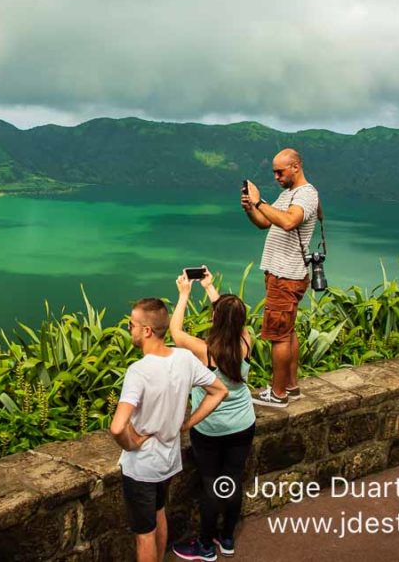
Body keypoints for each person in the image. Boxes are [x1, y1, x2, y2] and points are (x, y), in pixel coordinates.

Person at [110, 297, 229, 562]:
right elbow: (219, 391)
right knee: (159, 512)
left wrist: (131, 443)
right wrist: (186, 423)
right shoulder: (184, 358)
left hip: (142, 466)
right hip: (168, 460)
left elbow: (117, 426)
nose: (129, 328)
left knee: (144, 534)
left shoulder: (138, 371)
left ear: (147, 330)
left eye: (132, 324)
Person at [169, 268, 256, 561]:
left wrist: (184, 295)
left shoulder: (204, 350)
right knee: (231, 481)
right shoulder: (246, 340)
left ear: (216, 318)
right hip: (243, 424)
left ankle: (205, 546)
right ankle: (227, 537)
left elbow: (175, 332)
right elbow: (229, 319)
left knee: (211, 485)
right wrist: (210, 289)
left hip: (210, 427)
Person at [241, 148, 320, 407]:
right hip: (281, 274)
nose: (276, 176)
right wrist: (251, 209)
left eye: (280, 171)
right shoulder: (288, 194)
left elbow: (288, 222)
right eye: (274, 172)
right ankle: (291, 386)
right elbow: (266, 223)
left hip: (286, 275)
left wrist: (260, 201)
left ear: (296, 166)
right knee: (287, 332)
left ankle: (278, 394)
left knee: (279, 336)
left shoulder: (306, 195)